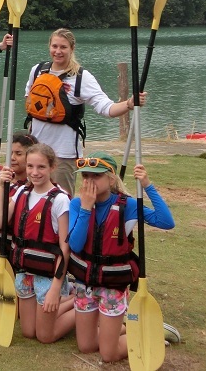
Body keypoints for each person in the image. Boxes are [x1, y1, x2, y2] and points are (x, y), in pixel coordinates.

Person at [68, 151, 175, 364]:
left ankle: (151, 333)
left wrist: (147, 185)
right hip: (85, 283)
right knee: (86, 347)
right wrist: (86, 209)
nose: (89, 182)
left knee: (108, 355)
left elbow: (166, 221)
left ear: (111, 178)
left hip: (112, 285)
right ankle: (125, 328)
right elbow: (76, 244)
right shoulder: (77, 204)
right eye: (85, 176)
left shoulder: (127, 206)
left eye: (95, 176)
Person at [24, 28, 145, 195]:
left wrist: (129, 104)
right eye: (54, 46)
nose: (58, 51)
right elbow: (29, 101)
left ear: (72, 49)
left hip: (63, 154)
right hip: (36, 150)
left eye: (63, 47)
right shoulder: (37, 71)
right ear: (49, 46)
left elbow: (106, 108)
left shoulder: (82, 77)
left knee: (60, 202)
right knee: (33, 199)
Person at [0, 143, 75, 343]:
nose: (34, 172)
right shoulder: (21, 191)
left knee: (45, 336)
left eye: (41, 167)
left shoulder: (60, 200)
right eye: (30, 167)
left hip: (48, 277)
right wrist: (3, 188)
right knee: (29, 332)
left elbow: (65, 249)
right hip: (25, 273)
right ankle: (72, 301)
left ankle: (83, 305)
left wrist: (55, 289)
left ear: (52, 167)